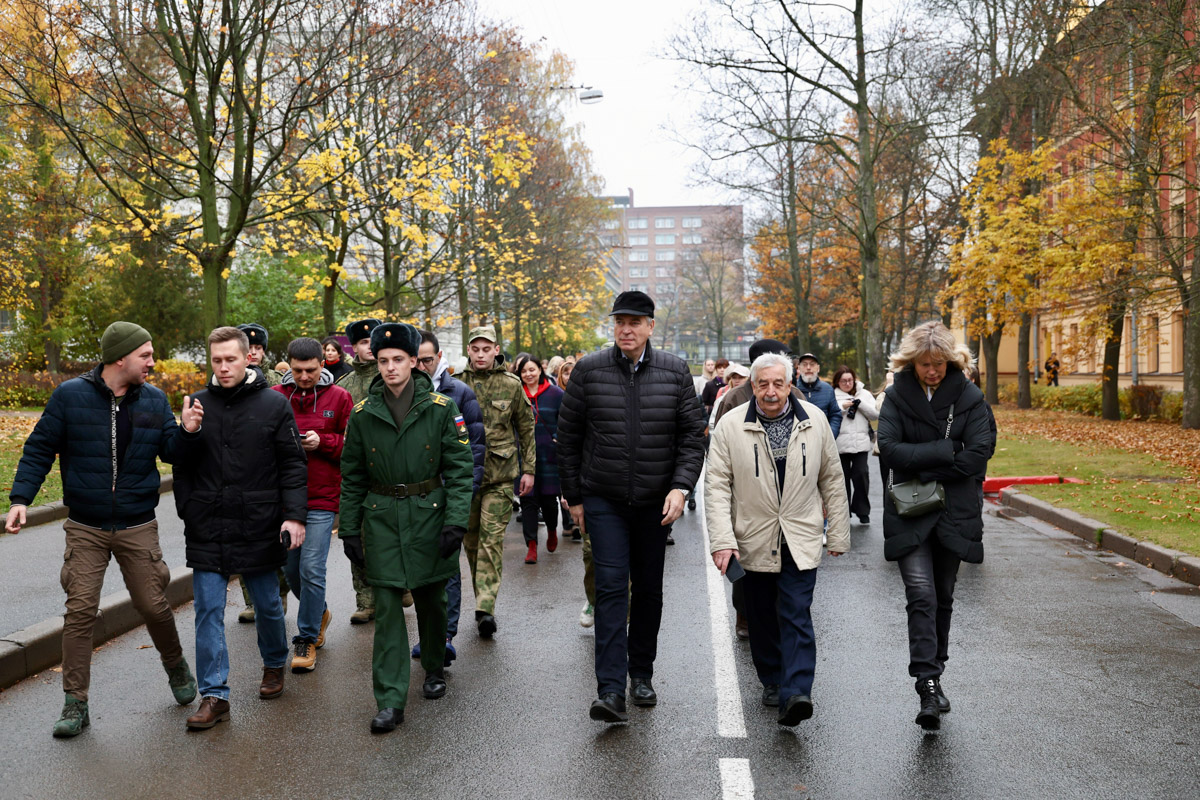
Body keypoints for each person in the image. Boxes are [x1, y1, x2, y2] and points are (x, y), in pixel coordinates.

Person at [5, 322, 200, 737]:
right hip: (86, 526)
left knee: (152, 604)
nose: (152, 362)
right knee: (79, 612)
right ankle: (75, 703)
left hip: (137, 524)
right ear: (120, 358)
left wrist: (187, 431)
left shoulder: (154, 399)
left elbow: (171, 452)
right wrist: (21, 499)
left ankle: (175, 664)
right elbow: (39, 447)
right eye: (146, 354)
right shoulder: (69, 396)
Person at [557, 290, 706, 723]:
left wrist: (680, 487)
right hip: (603, 499)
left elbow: (691, 439)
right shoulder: (589, 370)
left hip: (654, 502)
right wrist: (576, 496)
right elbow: (568, 438)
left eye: (635, 322)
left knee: (648, 590)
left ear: (650, 327)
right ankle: (609, 689)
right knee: (608, 589)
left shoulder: (675, 372)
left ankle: (641, 673)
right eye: (620, 321)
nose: (627, 329)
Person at [337, 323, 473, 732]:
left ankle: (433, 665)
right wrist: (348, 529)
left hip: (430, 515)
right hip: (381, 518)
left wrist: (455, 523)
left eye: (399, 360)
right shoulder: (363, 414)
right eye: (383, 361)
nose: (391, 368)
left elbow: (461, 472)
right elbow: (353, 475)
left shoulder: (441, 408)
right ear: (375, 364)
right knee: (389, 609)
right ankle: (390, 699)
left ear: (415, 361)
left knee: (432, 599)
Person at [175, 326, 308, 731]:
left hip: (259, 521)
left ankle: (273, 664)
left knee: (268, 604)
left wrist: (294, 515)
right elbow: (181, 465)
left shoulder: (272, 404)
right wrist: (188, 432)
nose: (223, 367)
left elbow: (292, 462)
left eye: (230, 359)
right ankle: (214, 695)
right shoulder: (196, 404)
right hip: (209, 524)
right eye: (216, 360)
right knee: (208, 610)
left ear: (248, 357)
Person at [706, 353, 849, 725]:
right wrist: (723, 540)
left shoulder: (814, 421)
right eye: (763, 384)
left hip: (800, 534)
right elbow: (717, 487)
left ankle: (797, 691)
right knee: (762, 614)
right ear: (752, 386)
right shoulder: (731, 426)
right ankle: (771, 678)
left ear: (790, 385)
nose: (771, 392)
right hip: (753, 536)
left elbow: (832, 478)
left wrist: (838, 532)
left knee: (797, 612)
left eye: (778, 384)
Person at [877, 320, 996, 731]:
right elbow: (889, 450)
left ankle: (936, 672)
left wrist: (923, 461)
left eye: (940, 363)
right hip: (909, 509)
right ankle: (926, 683)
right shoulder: (896, 396)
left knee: (943, 595)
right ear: (912, 361)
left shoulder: (969, 395)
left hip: (954, 512)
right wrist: (947, 450)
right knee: (921, 594)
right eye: (926, 364)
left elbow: (980, 453)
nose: (933, 371)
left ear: (952, 361)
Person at [273, 337, 353, 673]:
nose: (304, 376)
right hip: (286, 500)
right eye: (297, 370)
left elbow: (353, 446)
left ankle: (305, 637)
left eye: (310, 369)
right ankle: (318, 612)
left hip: (322, 497)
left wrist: (325, 442)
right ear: (288, 365)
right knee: (291, 570)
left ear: (323, 364)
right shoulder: (277, 397)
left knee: (311, 568)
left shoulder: (340, 397)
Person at [409, 328, 486, 667]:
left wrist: (464, 495)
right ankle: (428, 633)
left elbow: (475, 448)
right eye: (417, 360)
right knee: (420, 570)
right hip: (414, 497)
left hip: (449, 494)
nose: (422, 365)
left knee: (448, 567)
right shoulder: (403, 394)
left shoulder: (460, 393)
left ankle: (445, 636)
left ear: (439, 358)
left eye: (428, 359)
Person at [461, 325, 536, 638]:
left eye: (486, 349)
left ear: (496, 350)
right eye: (475, 349)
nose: (481, 354)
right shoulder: (455, 385)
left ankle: (485, 607)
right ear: (469, 351)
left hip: (500, 477)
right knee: (471, 542)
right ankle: (483, 597)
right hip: (464, 477)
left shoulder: (511, 384)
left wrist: (529, 469)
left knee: (491, 541)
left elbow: (526, 427)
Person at [235, 322, 289, 622]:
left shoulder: (275, 380)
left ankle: (277, 595)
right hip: (238, 468)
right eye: (248, 347)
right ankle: (251, 600)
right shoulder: (227, 380)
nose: (253, 352)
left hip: (270, 468)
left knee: (272, 536)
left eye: (258, 348)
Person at [336, 317, 383, 624]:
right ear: (354, 347)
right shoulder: (344, 387)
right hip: (357, 474)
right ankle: (365, 599)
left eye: (372, 341)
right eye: (363, 342)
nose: (368, 347)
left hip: (392, 471)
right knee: (357, 536)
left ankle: (398, 584)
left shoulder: (392, 376)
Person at [514, 354, 564, 565]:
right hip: (524, 455)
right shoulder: (516, 394)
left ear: (540, 371)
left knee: (549, 501)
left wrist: (559, 438)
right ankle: (531, 546)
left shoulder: (555, 394)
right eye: (524, 371)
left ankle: (552, 530)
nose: (528, 374)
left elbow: (566, 421)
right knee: (528, 501)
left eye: (532, 369)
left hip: (548, 455)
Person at [832, 365, 878, 525]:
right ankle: (843, 513)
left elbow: (875, 414)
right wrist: (842, 406)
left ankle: (862, 510)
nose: (847, 383)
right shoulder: (833, 395)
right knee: (841, 480)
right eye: (843, 381)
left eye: (850, 380)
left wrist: (859, 404)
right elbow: (827, 413)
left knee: (861, 476)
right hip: (839, 444)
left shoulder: (864, 394)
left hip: (861, 444)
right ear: (838, 382)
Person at [793, 353, 842, 437]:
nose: (808, 368)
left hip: (823, 440)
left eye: (812, 364)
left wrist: (830, 436)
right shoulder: (793, 391)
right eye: (804, 364)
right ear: (799, 369)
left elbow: (835, 415)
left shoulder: (828, 389)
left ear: (818, 368)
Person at [708, 362, 748, 429]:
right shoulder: (723, 399)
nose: (737, 380)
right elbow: (713, 423)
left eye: (741, 377)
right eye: (734, 377)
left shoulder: (755, 399)